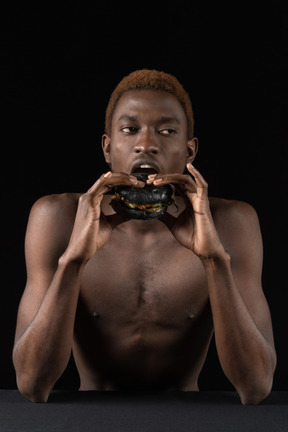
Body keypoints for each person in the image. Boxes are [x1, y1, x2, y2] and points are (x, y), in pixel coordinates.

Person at [13, 69, 276, 404]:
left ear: (189, 152)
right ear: (108, 148)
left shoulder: (232, 222)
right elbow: (33, 384)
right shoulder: (57, 218)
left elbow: (255, 386)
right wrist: (73, 261)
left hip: (189, 419)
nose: (147, 144)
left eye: (167, 131)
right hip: (90, 419)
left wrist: (213, 260)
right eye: (130, 129)